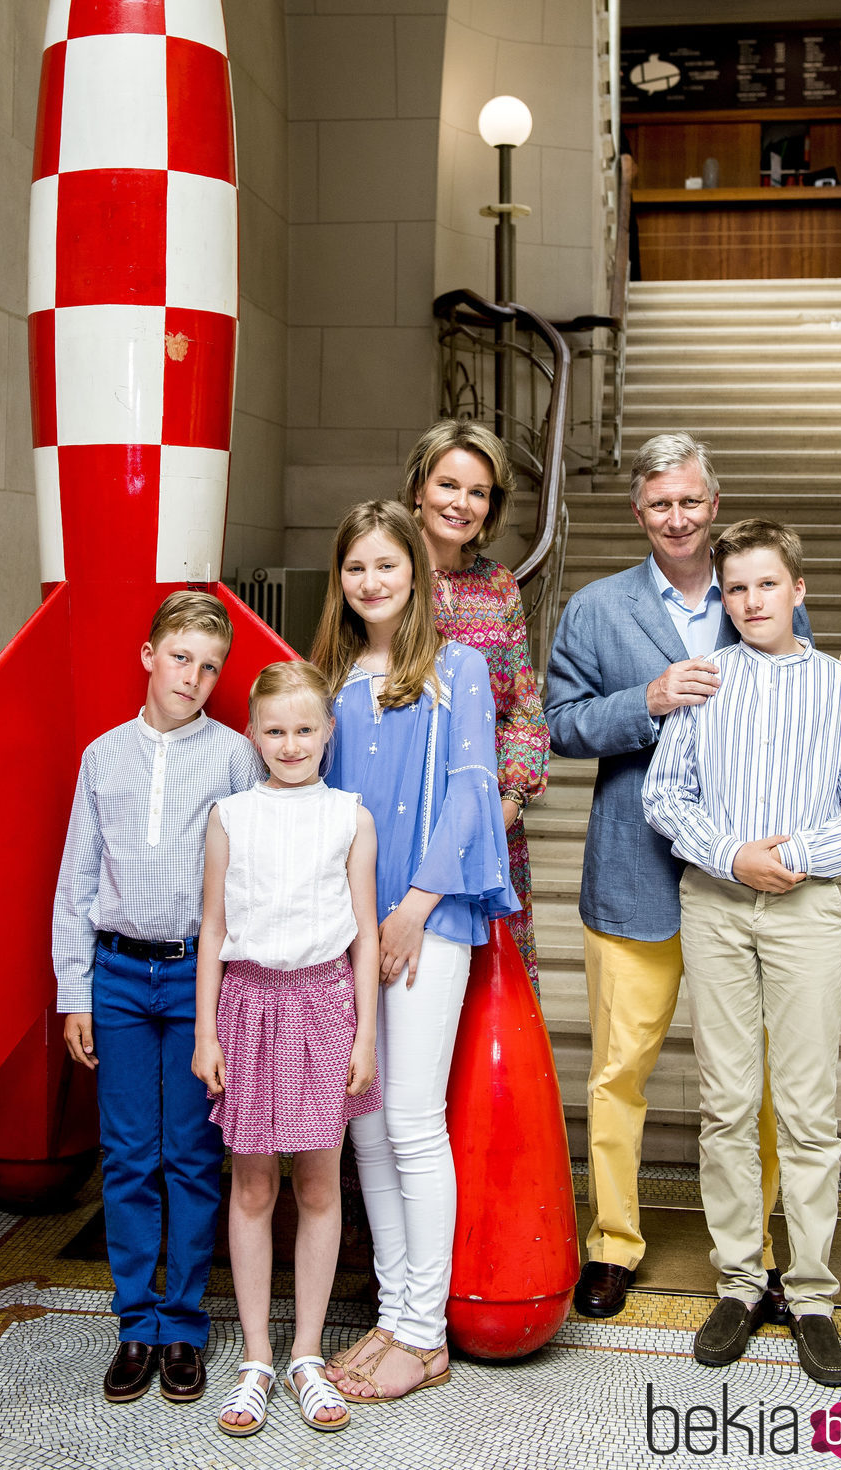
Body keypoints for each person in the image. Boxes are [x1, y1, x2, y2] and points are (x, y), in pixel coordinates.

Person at [543, 432, 841, 1320]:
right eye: (660, 503)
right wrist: (648, 702)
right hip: (635, 868)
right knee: (620, 1071)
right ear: (638, 512)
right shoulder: (596, 608)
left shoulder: (756, 594)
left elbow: (801, 701)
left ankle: (766, 1249)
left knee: (763, 1083)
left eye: (691, 500)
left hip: (756, 882)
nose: (678, 516)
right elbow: (559, 725)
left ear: (713, 503)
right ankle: (614, 1243)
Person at [643, 519, 841, 1385]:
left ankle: (814, 1294)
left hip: (804, 913)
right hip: (715, 906)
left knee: (805, 1108)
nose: (753, 601)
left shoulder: (839, 686)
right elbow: (665, 794)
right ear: (727, 596)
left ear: (798, 590)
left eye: (767, 585)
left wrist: (792, 857)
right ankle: (739, 1281)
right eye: (738, 588)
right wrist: (733, 856)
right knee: (724, 1101)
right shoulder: (704, 685)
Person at [311, 500, 519, 1403]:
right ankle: (396, 1316)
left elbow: (475, 795)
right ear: (341, 580)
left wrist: (416, 906)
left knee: (410, 1123)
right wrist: (354, 924)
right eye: (356, 568)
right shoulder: (328, 682)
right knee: (363, 1123)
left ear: (417, 575)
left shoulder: (458, 671)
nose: (371, 582)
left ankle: (424, 1330)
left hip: (427, 924)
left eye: (386, 566)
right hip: (349, 930)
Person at [54, 591, 253, 1405]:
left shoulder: (237, 757)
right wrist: (76, 990)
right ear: (147, 656)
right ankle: (136, 1324)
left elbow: (246, 880)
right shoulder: (103, 757)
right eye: (181, 658)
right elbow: (75, 883)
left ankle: (184, 1326)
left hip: (197, 976)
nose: (195, 677)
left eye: (211, 666)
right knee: (131, 1156)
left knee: (193, 1156)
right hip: (121, 980)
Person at [192, 660, 381, 1436]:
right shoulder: (230, 815)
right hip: (247, 1005)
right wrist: (206, 1030)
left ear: (329, 732)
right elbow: (212, 929)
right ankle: (257, 1358)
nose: (291, 743)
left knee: (319, 1185)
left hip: (324, 1005)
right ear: (253, 734)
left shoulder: (351, 815)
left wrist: (366, 1032)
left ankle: (307, 1353)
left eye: (305, 729)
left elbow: (367, 935)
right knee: (252, 1187)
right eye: (275, 730)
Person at [401, 419, 549, 992]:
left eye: (478, 492)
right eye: (447, 485)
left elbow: (522, 711)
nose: (461, 504)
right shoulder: (384, 574)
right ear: (418, 488)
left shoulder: (499, 586)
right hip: (401, 816)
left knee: (489, 998)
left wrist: (505, 803)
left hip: (489, 819)